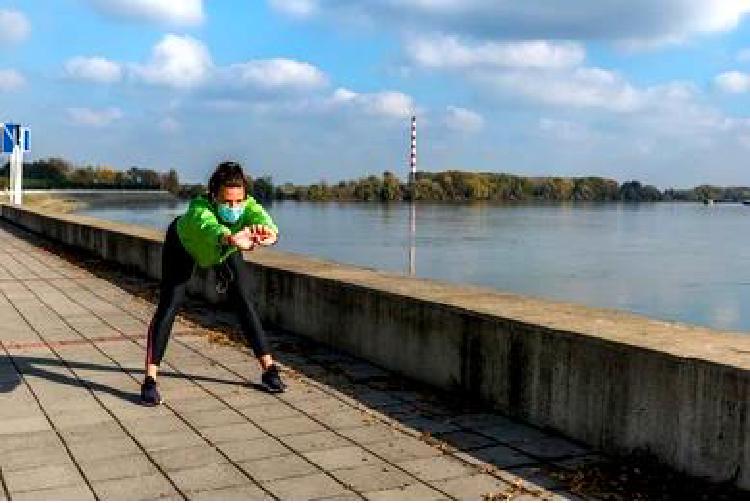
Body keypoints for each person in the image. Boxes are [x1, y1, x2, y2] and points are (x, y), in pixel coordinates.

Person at [141, 161, 286, 406]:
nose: (234, 207)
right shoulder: (200, 208)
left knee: (244, 301)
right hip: (185, 245)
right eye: (227, 202)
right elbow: (210, 228)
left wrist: (269, 234)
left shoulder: (248, 206)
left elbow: (266, 223)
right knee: (170, 305)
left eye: (238, 201)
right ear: (213, 196)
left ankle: (269, 370)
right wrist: (231, 237)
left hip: (226, 247)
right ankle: (150, 381)